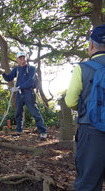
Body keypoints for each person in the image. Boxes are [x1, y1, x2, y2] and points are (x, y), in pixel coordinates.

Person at [65, 24, 105, 191]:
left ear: (91, 45)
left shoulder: (82, 68)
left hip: (91, 131)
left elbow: (70, 101)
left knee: (88, 183)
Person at [2, 52, 47, 138]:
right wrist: (3, 73)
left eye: (23, 58)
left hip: (29, 93)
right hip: (19, 94)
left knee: (35, 112)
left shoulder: (31, 68)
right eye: (20, 58)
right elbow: (9, 78)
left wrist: (18, 87)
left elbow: (30, 82)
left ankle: (43, 131)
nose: (22, 60)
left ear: (26, 59)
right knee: (18, 113)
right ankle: (19, 130)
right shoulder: (17, 69)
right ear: (17, 60)